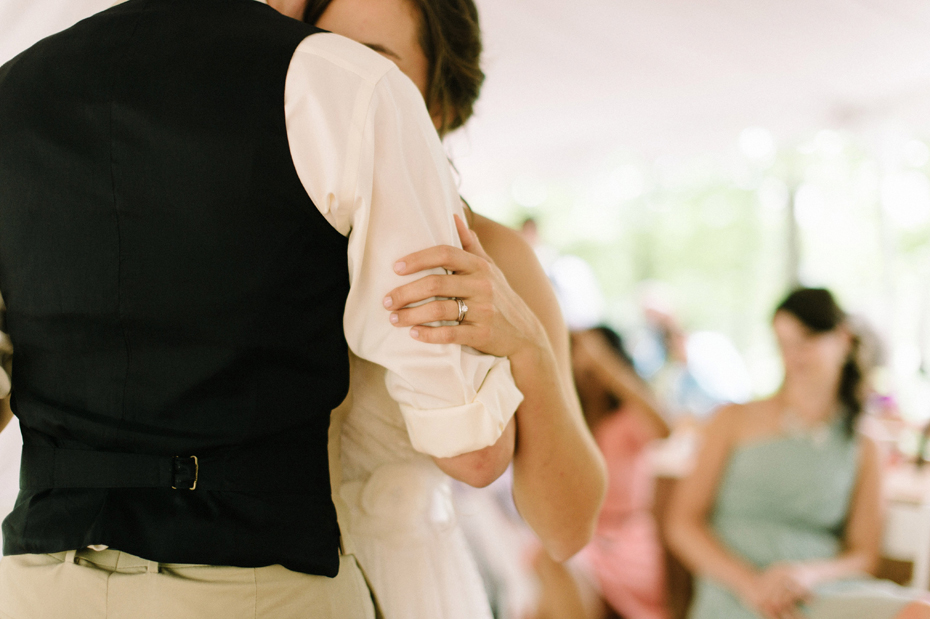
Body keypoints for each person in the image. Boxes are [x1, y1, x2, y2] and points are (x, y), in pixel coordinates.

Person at [0, 0, 523, 616]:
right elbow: (473, 452)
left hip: (38, 589)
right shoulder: (349, 87)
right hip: (257, 589)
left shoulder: (14, 90)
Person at [306, 0, 607, 617]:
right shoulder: (252, 239)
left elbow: (567, 530)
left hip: (413, 588)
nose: (345, 90)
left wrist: (529, 346)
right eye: (321, 60)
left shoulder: (497, 254)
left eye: (372, 67)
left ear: (439, 101)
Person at [666, 288, 930, 619]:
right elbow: (682, 523)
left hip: (820, 591)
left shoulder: (866, 443)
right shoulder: (732, 419)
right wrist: (750, 584)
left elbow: (864, 555)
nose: (794, 356)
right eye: (783, 344)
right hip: (735, 591)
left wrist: (808, 575)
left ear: (844, 340)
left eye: (805, 340)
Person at [532, 327, 671, 619]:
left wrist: (603, 364)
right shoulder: (569, 423)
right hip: (583, 539)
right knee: (545, 584)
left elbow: (665, 429)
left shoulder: (626, 420)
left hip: (628, 543)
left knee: (555, 567)